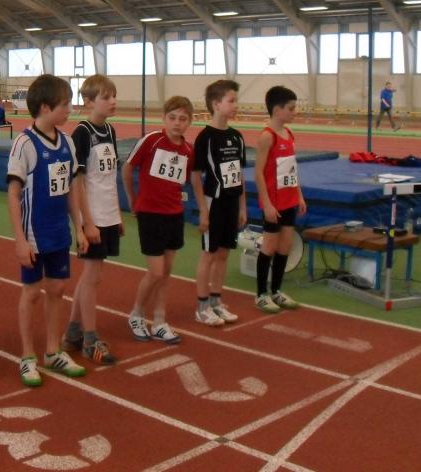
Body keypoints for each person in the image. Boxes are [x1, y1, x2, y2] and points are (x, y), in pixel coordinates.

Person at [7, 74, 88, 387]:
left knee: (57, 289)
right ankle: (28, 356)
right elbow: (13, 194)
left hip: (58, 233)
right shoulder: (24, 144)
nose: (70, 110)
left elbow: (70, 190)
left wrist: (79, 227)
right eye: (65, 104)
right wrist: (19, 240)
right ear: (44, 107)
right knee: (31, 293)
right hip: (33, 235)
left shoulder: (67, 142)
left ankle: (53, 351)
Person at [62, 75, 122, 365]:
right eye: (106, 97)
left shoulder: (110, 130)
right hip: (93, 216)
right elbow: (78, 183)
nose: (113, 101)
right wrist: (86, 222)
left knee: (92, 277)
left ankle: (73, 333)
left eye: (114, 96)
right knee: (91, 277)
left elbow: (109, 178)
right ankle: (89, 339)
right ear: (88, 102)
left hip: (108, 214)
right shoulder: (82, 133)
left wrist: (116, 215)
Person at [124, 96, 194, 344]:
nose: (177, 123)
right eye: (172, 118)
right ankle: (136, 314)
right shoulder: (152, 140)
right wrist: (133, 199)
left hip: (174, 215)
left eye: (183, 119)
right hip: (150, 214)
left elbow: (182, 180)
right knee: (156, 272)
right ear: (164, 118)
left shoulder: (188, 150)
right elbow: (127, 168)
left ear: (189, 122)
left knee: (166, 272)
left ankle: (159, 321)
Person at [191, 80, 247, 326]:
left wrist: (242, 207)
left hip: (232, 202)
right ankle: (202, 306)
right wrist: (203, 210)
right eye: (231, 101)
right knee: (209, 254)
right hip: (213, 202)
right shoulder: (205, 138)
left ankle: (216, 301)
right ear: (216, 104)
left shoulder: (236, 137)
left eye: (236, 100)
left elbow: (239, 174)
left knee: (224, 253)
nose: (236, 105)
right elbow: (195, 176)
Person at [253, 86, 307, 313]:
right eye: (291, 108)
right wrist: (267, 204)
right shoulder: (267, 136)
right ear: (277, 110)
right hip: (273, 203)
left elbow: (291, 170)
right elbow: (258, 172)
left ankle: (276, 290)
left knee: (285, 246)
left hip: (289, 200)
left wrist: (299, 195)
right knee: (269, 246)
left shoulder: (289, 134)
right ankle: (261, 294)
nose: (295, 112)